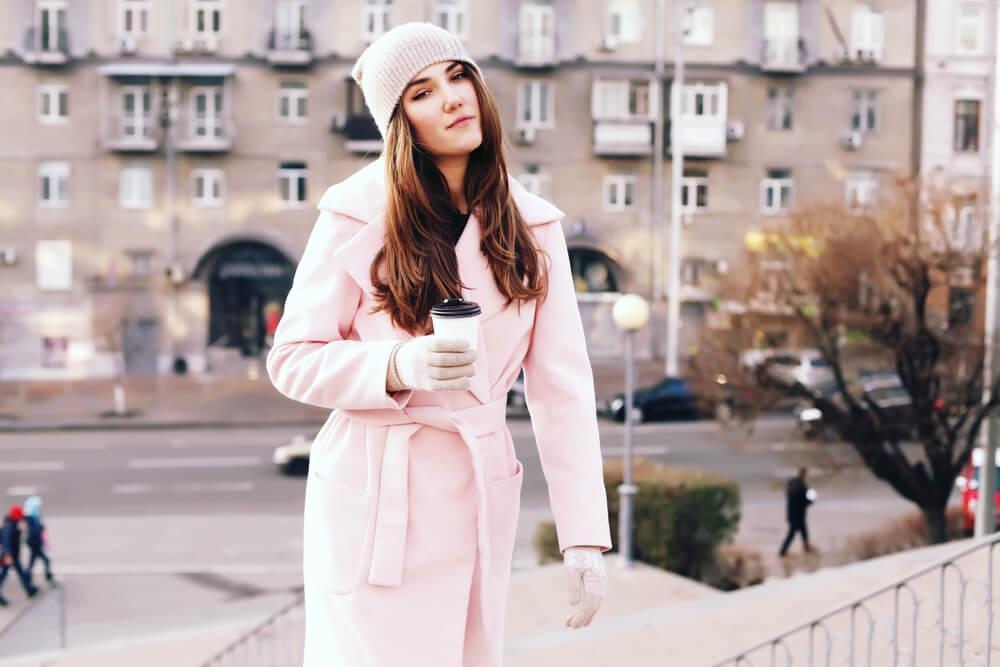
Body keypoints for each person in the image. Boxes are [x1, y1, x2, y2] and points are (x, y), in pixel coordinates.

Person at [266, 22, 611, 667]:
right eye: (423, 93)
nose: (452, 98)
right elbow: (291, 358)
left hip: (477, 489)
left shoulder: (534, 225)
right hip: (373, 491)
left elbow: (561, 387)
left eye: (458, 77)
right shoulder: (353, 212)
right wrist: (399, 363)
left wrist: (584, 537)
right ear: (401, 123)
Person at [0, 504, 39, 605]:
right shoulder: (9, 526)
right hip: (10, 555)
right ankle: (30, 589)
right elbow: (7, 541)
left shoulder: (13, 523)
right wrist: (8, 555)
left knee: (19, 573)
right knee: (4, 575)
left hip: (13, 555)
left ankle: (30, 589)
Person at [779, 467, 816, 556]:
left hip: (791, 513)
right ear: (804, 475)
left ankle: (806, 548)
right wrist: (812, 498)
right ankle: (782, 552)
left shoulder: (792, 484)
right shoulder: (802, 487)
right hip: (798, 514)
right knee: (792, 533)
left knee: (803, 531)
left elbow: (790, 497)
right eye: (807, 475)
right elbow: (806, 501)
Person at [22, 496, 54, 585]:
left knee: (35, 561)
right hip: (34, 543)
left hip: (35, 543)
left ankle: (28, 578)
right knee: (44, 560)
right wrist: (40, 528)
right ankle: (48, 576)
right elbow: (33, 531)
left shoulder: (34, 516)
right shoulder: (30, 518)